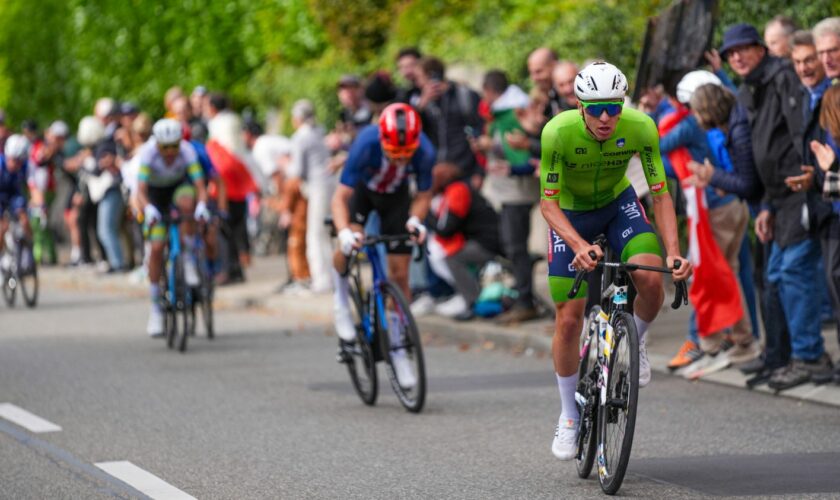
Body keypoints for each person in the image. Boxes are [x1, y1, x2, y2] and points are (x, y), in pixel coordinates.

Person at [539, 62, 692, 460]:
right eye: (596, 108)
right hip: (570, 216)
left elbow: (660, 194)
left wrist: (674, 252)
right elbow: (548, 203)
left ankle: (634, 339)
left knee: (652, 278)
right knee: (569, 317)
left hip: (617, 204)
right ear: (580, 105)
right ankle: (569, 415)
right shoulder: (557, 132)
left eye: (614, 106)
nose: (606, 117)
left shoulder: (641, 127)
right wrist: (576, 244)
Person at [721, 23, 833, 390]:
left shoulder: (780, 78)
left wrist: (811, 182)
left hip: (801, 194)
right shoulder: (752, 85)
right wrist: (767, 204)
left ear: (761, 50)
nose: (736, 57)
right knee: (775, 277)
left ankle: (808, 357)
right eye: (729, 53)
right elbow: (766, 148)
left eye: (744, 49)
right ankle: (786, 356)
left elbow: (799, 138)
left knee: (794, 274)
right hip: (778, 199)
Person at [659, 70, 759, 373]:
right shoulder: (730, 119)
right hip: (732, 205)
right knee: (728, 274)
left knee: (713, 277)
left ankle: (725, 342)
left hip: (716, 208)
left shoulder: (690, 124)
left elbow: (656, 146)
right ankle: (730, 340)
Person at [331, 103, 435, 388]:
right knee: (349, 247)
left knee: (399, 274)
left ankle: (399, 349)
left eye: (407, 155)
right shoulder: (365, 143)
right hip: (363, 194)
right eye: (394, 154)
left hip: (396, 198)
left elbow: (425, 194)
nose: (401, 160)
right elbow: (340, 198)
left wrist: (415, 219)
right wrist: (344, 233)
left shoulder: (425, 149)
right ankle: (340, 302)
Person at [476, 69, 541, 324]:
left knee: (515, 247)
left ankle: (525, 302)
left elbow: (519, 148)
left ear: (490, 91)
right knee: (514, 246)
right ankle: (524, 296)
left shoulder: (512, 110)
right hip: (511, 191)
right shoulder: (512, 108)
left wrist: (489, 146)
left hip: (518, 192)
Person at [137, 119, 209, 337]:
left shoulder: (187, 151)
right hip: (155, 195)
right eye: (164, 147)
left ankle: (186, 256)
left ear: (180, 142)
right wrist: (148, 208)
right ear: (157, 144)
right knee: (157, 248)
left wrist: (203, 205)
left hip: (178, 188)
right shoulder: (148, 152)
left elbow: (199, 185)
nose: (169, 152)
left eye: (173, 146)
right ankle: (156, 309)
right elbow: (140, 190)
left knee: (188, 204)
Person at [427, 162, 501, 320]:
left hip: (488, 244)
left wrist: (425, 211)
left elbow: (446, 229)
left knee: (453, 257)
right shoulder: (458, 188)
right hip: (484, 240)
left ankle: (471, 302)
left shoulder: (457, 191)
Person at [286, 100, 335, 294]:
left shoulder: (301, 137)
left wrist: (284, 165)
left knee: (316, 234)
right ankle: (331, 277)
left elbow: (297, 171)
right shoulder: (319, 132)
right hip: (330, 184)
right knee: (328, 234)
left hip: (318, 187)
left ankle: (321, 279)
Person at [414, 57, 483, 182]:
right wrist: (421, 105)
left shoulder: (465, 96)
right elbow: (414, 133)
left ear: (431, 76)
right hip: (436, 170)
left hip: (464, 170)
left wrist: (479, 172)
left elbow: (480, 131)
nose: (417, 83)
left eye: (419, 77)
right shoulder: (424, 103)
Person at [0, 135, 35, 264]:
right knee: (2, 227)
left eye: (19, 161)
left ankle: (29, 250)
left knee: (25, 219)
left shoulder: (27, 166)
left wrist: (39, 203)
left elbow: (33, 187)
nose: (15, 164)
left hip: (15, 195)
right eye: (12, 160)